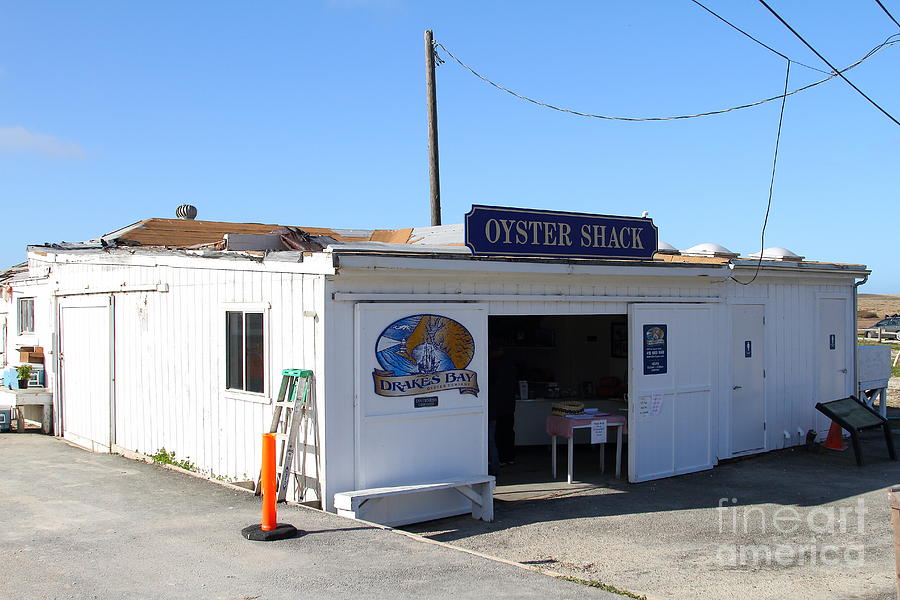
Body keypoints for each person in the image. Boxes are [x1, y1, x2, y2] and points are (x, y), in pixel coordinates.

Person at [488, 347, 517, 475]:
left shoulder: (493, 366)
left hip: (496, 407)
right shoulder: (511, 366)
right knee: (508, 431)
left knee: (496, 436)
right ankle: (509, 458)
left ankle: (498, 462)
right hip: (508, 405)